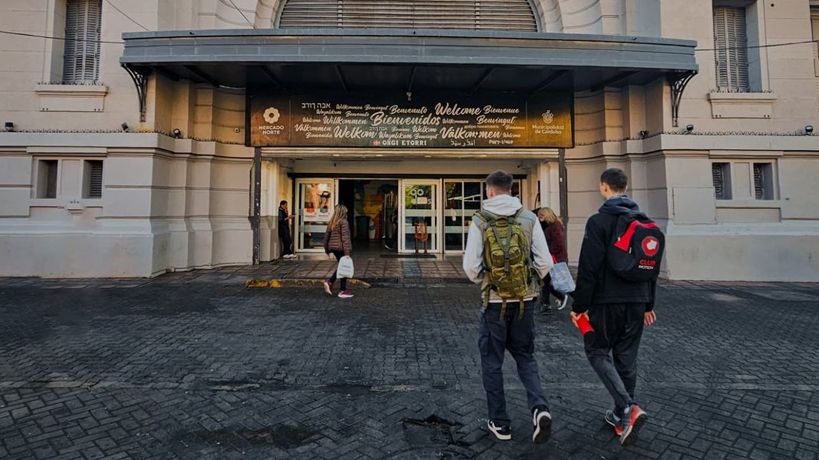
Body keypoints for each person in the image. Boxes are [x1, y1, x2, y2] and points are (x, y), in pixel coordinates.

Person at [463, 170, 554, 443]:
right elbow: (545, 262)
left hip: (494, 303)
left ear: (489, 191)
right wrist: (531, 281)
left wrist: (486, 279)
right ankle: (539, 409)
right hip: (525, 302)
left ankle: (500, 422)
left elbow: (470, 267)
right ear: (511, 190)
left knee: (492, 362)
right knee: (526, 357)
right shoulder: (529, 218)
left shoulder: (480, 219)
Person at [570, 168, 657, 446]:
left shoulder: (599, 221)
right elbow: (650, 268)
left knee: (596, 351)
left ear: (604, 187)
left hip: (606, 302)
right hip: (637, 301)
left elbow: (589, 267)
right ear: (625, 187)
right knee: (626, 359)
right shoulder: (644, 221)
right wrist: (647, 304)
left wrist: (580, 305)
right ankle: (622, 419)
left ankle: (628, 408)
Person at [537, 207, 570, 312]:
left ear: (547, 215)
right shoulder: (549, 225)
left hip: (555, 258)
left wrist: (547, 252)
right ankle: (546, 303)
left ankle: (561, 297)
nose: (539, 217)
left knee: (550, 281)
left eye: (542, 215)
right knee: (546, 281)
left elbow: (559, 243)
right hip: (552, 257)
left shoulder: (554, 226)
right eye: (539, 215)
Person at [323, 204, 353, 299]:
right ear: (343, 212)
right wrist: (347, 253)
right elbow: (345, 239)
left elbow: (326, 237)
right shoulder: (343, 222)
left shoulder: (332, 222)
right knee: (344, 267)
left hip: (334, 248)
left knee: (342, 266)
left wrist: (327, 249)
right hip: (340, 248)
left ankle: (334, 284)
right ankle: (340, 289)